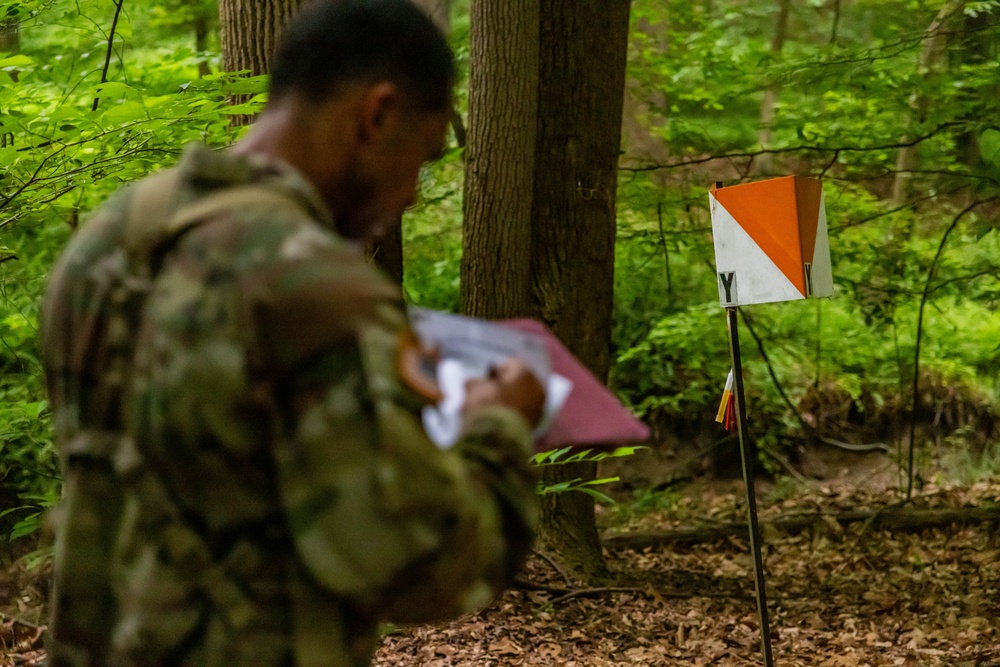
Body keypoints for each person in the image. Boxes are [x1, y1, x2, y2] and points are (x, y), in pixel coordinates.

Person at [39, 1, 546, 665]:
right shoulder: (313, 283)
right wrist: (498, 429)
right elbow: (416, 566)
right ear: (378, 114)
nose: (413, 194)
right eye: (420, 156)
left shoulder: (111, 236)